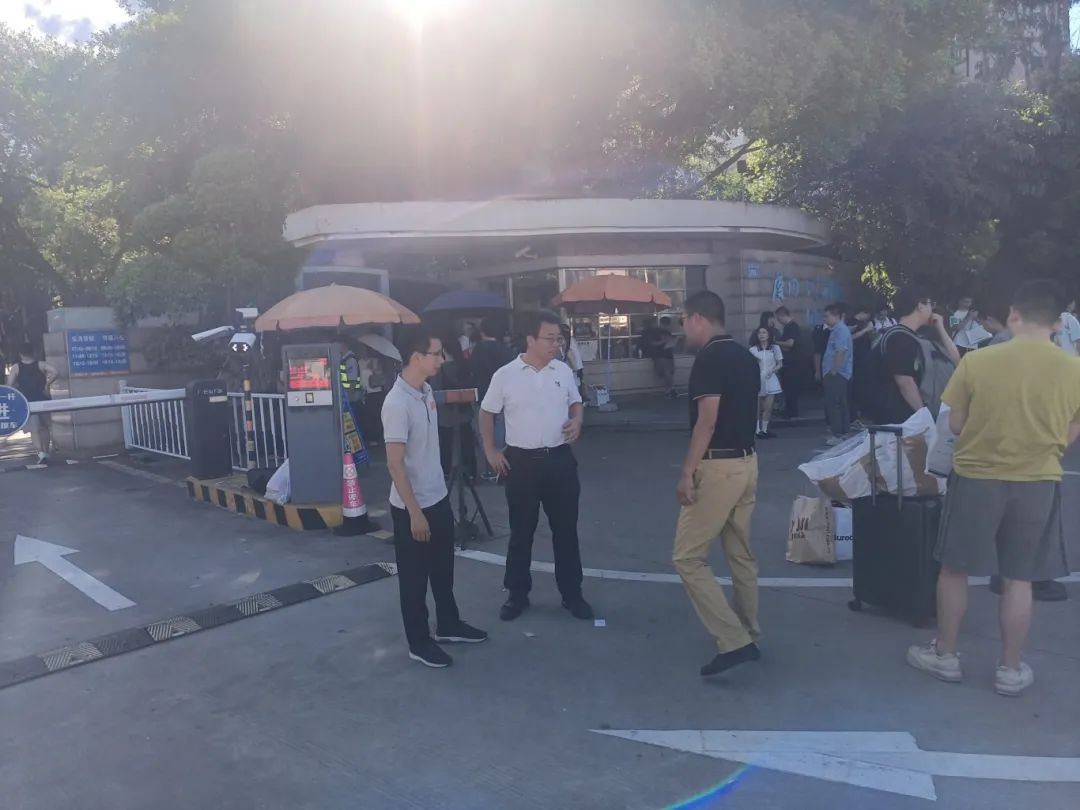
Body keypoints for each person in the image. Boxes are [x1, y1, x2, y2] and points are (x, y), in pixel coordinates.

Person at [906, 280, 1080, 697]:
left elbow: (955, 423)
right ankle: (1010, 668)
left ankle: (946, 655)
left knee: (955, 569)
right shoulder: (1073, 369)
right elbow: (1073, 426)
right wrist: (1052, 445)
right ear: (1058, 323)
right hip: (1038, 479)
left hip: (977, 476)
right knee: (1019, 577)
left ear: (1014, 315)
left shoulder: (979, 361)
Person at [380, 326, 488, 669]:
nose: (442, 359)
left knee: (443, 569)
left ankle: (448, 624)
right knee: (414, 580)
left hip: (437, 496)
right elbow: (395, 464)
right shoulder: (396, 403)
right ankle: (419, 642)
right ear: (417, 357)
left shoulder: (425, 390)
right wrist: (414, 513)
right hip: (412, 507)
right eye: (437, 353)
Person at [479, 309, 592, 622]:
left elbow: (576, 402)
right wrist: (490, 451)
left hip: (559, 460)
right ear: (530, 339)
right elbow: (486, 412)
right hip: (522, 463)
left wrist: (577, 420)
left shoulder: (562, 371)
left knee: (566, 531)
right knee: (521, 532)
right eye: (550, 338)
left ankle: (572, 594)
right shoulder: (506, 375)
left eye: (559, 339)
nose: (556, 344)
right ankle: (517, 595)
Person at [673, 291, 762, 678]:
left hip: (719, 466)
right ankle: (748, 631)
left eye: (683, 320)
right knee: (740, 554)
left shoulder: (709, 358)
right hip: (747, 461)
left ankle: (733, 640)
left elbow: (706, 422)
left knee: (687, 557)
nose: (682, 328)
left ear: (697, 318)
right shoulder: (745, 356)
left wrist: (687, 472)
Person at [868, 287, 961, 424]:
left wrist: (941, 328)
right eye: (930, 304)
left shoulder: (913, 337)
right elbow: (905, 383)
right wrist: (925, 417)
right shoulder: (899, 338)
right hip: (899, 420)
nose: (932, 309)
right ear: (920, 306)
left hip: (908, 419)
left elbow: (955, 361)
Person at [470, 317, 514, 480]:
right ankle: (503, 467)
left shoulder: (478, 349)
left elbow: (472, 370)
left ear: (483, 331)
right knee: (502, 431)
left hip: (483, 394)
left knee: (484, 431)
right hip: (504, 396)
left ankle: (491, 467)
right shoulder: (506, 350)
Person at [433, 330, 477, 481]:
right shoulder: (465, 366)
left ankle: (445, 471)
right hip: (464, 412)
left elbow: (435, 390)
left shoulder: (439, 369)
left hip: (445, 414)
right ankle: (470, 472)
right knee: (466, 442)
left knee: (445, 443)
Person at [6, 342, 57, 463]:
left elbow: (9, 385)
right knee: (45, 427)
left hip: (27, 401)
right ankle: (46, 451)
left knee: (34, 429)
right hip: (43, 398)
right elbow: (55, 372)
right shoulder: (41, 364)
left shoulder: (16, 367)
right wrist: (47, 384)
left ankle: (40, 452)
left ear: (20, 354)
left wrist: (17, 392)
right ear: (33, 352)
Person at [820, 303, 853, 444]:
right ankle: (844, 432)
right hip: (840, 373)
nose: (825, 319)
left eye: (827, 316)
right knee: (840, 402)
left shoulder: (840, 330)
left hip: (837, 373)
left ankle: (838, 434)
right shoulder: (838, 330)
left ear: (836, 316)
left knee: (833, 404)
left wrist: (833, 370)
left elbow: (841, 351)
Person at [748, 327, 782, 439]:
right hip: (757, 379)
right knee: (757, 407)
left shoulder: (775, 348)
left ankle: (765, 429)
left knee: (768, 406)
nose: (761, 335)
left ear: (768, 334)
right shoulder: (752, 350)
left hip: (770, 379)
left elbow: (780, 363)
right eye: (759, 333)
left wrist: (773, 370)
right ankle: (757, 430)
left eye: (764, 332)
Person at [774, 306, 804, 418]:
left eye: (778, 318)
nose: (778, 321)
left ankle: (792, 412)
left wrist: (776, 342)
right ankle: (789, 410)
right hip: (789, 362)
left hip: (792, 363)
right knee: (788, 388)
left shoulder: (792, 327)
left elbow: (790, 344)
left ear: (782, 315)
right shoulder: (788, 327)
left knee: (791, 388)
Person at [637, 316, 677, 398]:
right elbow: (652, 344)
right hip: (660, 354)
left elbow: (668, 341)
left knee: (669, 372)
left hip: (668, 354)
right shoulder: (653, 332)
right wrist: (664, 341)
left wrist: (670, 342)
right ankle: (671, 389)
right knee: (666, 373)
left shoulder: (665, 332)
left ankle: (668, 389)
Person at [849, 306, 875, 425]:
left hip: (864, 360)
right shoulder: (852, 323)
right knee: (856, 389)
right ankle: (854, 415)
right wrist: (866, 329)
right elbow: (851, 337)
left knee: (863, 388)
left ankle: (862, 413)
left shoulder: (863, 324)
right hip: (856, 361)